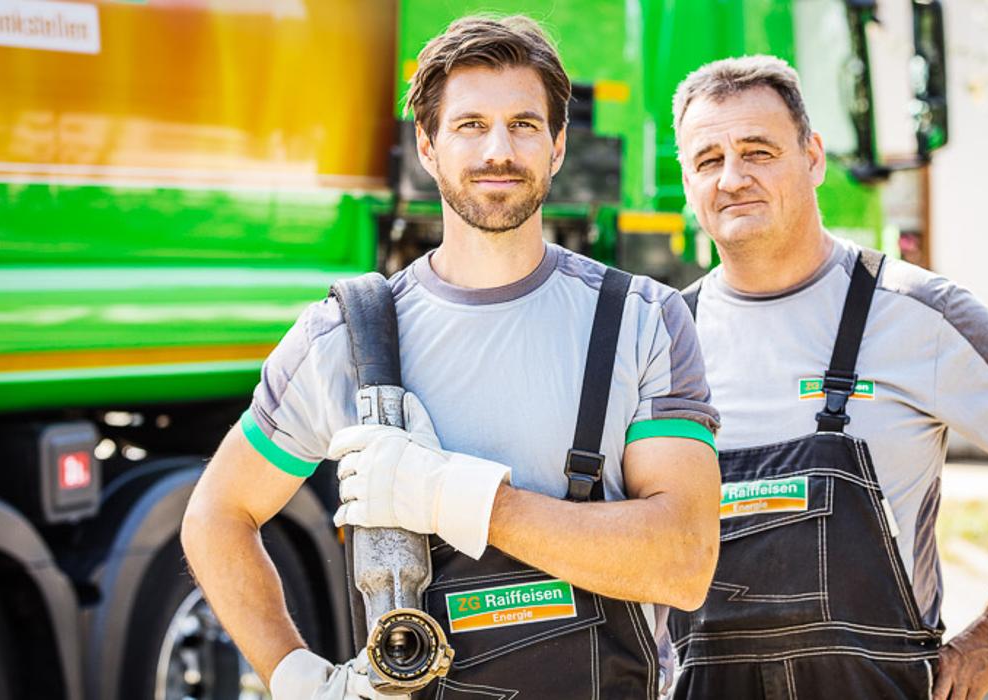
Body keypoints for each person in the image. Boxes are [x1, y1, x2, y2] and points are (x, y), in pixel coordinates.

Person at [181, 15, 722, 700]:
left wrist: (454, 496)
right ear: (427, 146)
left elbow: (682, 561)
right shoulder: (348, 338)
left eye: (524, 125)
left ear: (558, 146)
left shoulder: (641, 321)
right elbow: (216, 516)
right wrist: (294, 675)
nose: (499, 150)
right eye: (470, 125)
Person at [665, 55, 988, 700]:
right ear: (687, 180)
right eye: (708, 160)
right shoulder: (661, 340)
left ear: (813, 156)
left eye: (758, 150)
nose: (733, 177)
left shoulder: (919, 314)